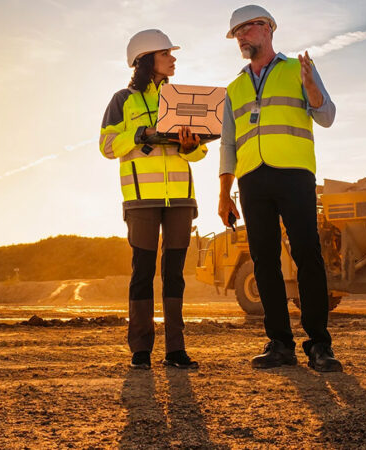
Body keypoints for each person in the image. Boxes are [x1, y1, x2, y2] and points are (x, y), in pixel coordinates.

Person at [218, 5, 342, 372]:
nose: (242, 36)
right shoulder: (234, 87)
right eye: (237, 32)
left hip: (294, 173)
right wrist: (225, 194)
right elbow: (227, 145)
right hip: (252, 178)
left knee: (307, 254)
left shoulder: (297, 70)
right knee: (263, 261)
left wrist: (312, 91)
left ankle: (320, 345)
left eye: (248, 28)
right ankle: (280, 344)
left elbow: (327, 116)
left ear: (268, 29)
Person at [100, 29, 207, 370]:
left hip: (179, 199)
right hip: (141, 200)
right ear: (147, 59)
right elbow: (106, 146)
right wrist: (137, 135)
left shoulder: (181, 98)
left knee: (175, 274)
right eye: (167, 53)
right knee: (142, 272)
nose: (174, 59)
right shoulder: (122, 100)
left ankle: (175, 350)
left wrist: (191, 146)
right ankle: (141, 350)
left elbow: (199, 151)